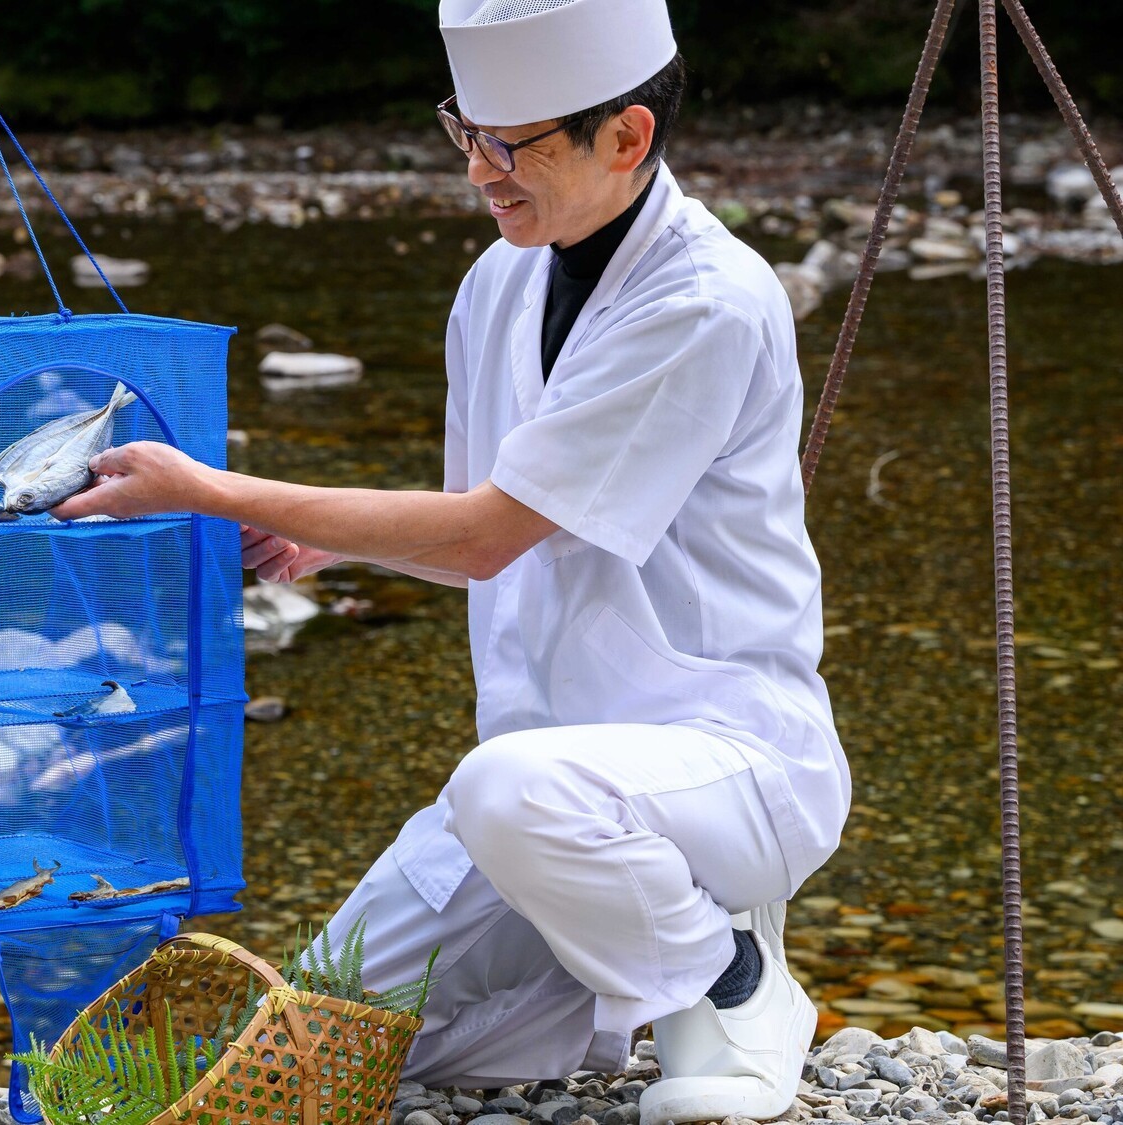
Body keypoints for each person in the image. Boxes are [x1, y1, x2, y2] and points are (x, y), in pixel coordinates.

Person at [47, 0, 850, 1118]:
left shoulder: (704, 301)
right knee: (321, 1034)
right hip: (541, 795)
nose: (478, 172)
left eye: (511, 146)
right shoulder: (497, 283)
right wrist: (322, 540)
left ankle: (732, 982)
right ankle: (626, 957)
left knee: (505, 790)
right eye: (466, 134)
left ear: (626, 136)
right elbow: (486, 541)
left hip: (718, 764)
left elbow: (484, 531)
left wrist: (208, 488)